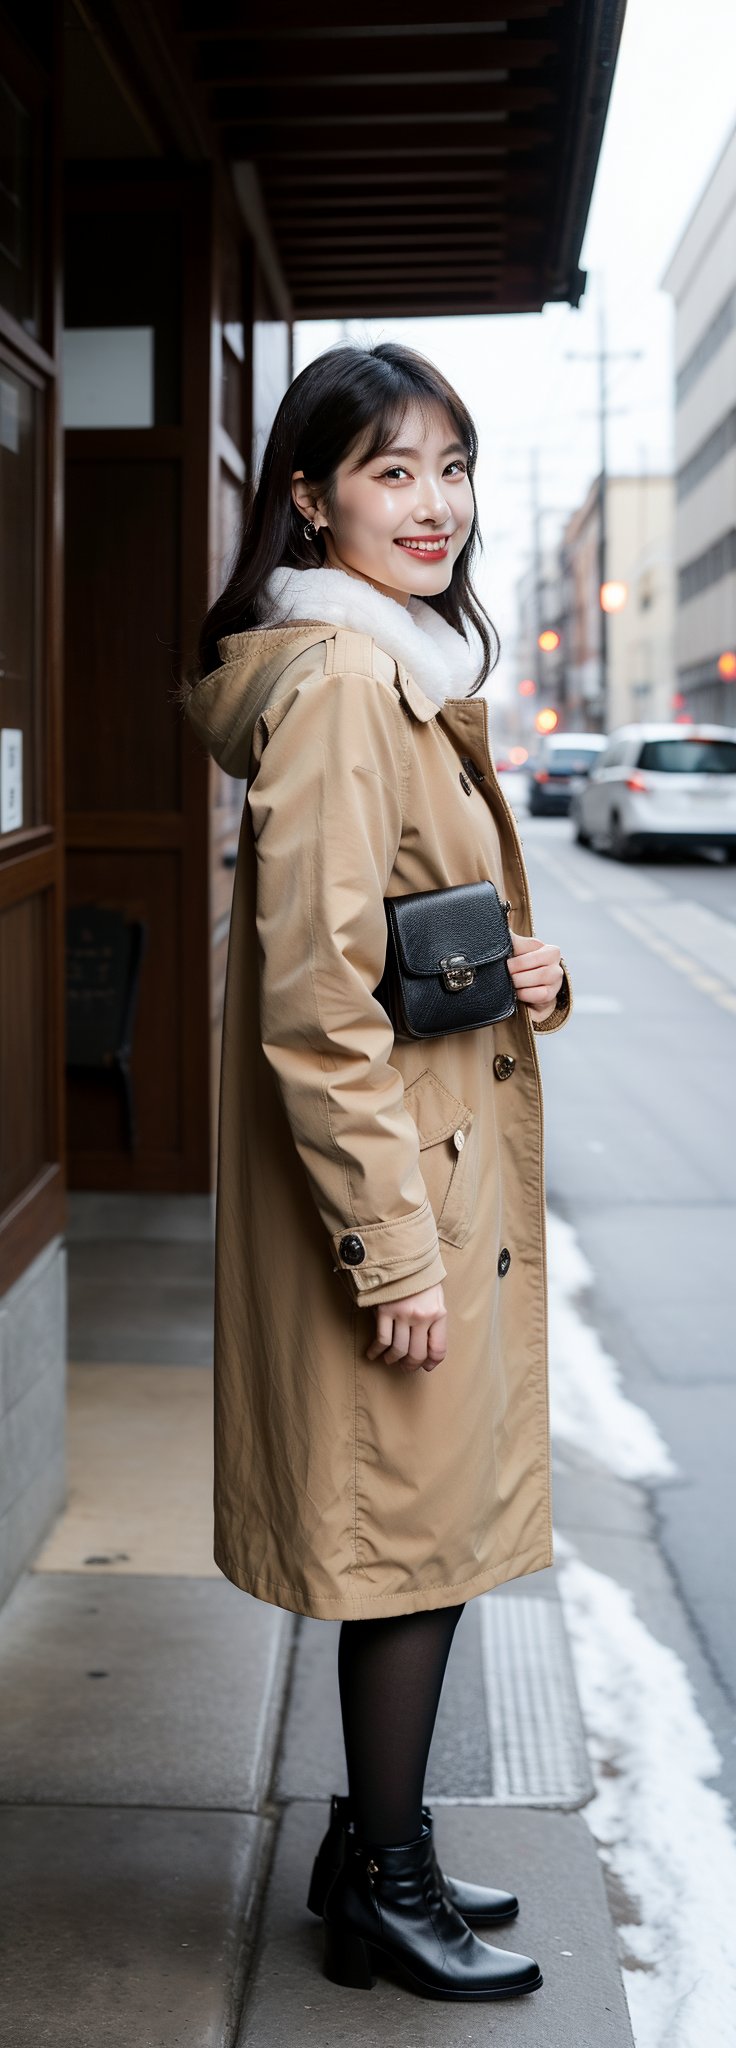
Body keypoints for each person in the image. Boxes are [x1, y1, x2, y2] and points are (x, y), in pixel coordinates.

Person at [182, 340, 572, 2003]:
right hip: (397, 1192)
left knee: (432, 1536)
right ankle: (385, 1887)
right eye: (392, 470)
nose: (432, 504)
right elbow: (314, 998)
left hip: (427, 1167)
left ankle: (368, 1851)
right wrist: (393, 1254)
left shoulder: (396, 664)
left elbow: (410, 937)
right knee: (411, 1544)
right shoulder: (345, 681)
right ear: (311, 493)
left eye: (453, 467)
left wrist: (529, 973)